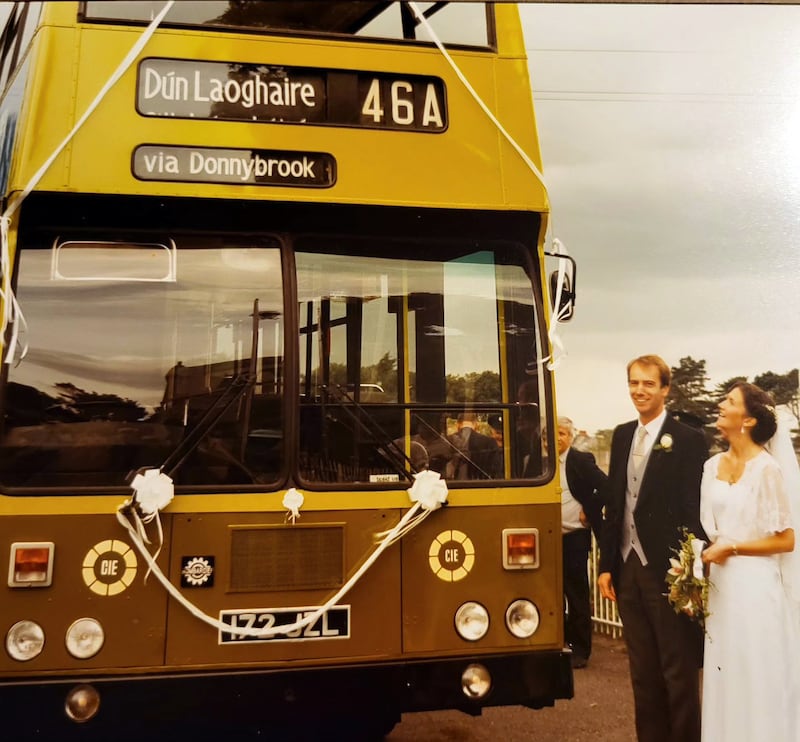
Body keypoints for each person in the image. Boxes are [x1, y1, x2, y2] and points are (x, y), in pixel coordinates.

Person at [597, 354, 708, 742]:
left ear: (665, 389)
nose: (639, 391)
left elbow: (695, 512)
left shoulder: (689, 440)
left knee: (677, 673)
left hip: (668, 571)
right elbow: (616, 503)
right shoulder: (622, 434)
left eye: (648, 383)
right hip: (628, 571)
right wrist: (606, 565)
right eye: (633, 383)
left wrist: (688, 574)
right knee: (642, 673)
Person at [699, 382, 799, 741]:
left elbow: (786, 539)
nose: (721, 405)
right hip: (723, 588)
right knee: (728, 672)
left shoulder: (767, 469)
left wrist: (734, 548)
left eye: (730, 401)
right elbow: (711, 531)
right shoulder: (711, 467)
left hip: (756, 587)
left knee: (757, 672)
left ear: (750, 420)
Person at [557, 415, 607, 669]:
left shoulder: (580, 460)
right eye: (549, 435)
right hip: (549, 538)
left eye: (561, 434)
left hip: (575, 537)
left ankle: (581, 650)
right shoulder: (538, 462)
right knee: (554, 594)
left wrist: (589, 508)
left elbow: (606, 487)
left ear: (571, 436)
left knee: (576, 595)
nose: (554, 440)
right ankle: (561, 641)